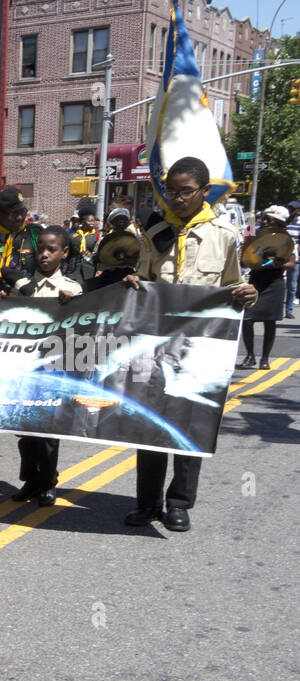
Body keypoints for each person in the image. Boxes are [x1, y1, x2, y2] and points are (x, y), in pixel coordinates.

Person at [122, 155, 257, 533]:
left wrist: (247, 294)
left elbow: (233, 286)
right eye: (171, 191)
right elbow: (143, 279)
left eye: (186, 191)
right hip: (156, 345)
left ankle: (179, 503)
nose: (178, 198)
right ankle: (146, 504)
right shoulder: (155, 233)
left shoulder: (223, 236)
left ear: (203, 192)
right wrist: (133, 281)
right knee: (148, 427)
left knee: (190, 426)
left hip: (201, 347)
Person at [6, 225, 81, 507]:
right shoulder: (24, 286)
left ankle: (48, 481)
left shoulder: (72, 288)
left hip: (54, 367)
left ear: (64, 252)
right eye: (40, 250)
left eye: (52, 250)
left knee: (48, 430)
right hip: (24, 366)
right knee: (25, 430)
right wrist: (0, 300)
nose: (45, 255)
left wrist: (73, 303)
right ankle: (30, 480)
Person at [240, 205, 294, 372]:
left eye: (268, 219)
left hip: (275, 282)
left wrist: (273, 262)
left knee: (270, 322)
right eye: (264, 218)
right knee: (247, 319)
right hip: (256, 280)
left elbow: (291, 263)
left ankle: (264, 359)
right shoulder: (253, 233)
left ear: (278, 222)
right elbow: (244, 261)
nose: (264, 221)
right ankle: (250, 356)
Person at [66, 199, 99, 286]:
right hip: (74, 270)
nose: (92, 223)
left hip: (90, 270)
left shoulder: (96, 236)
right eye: (90, 221)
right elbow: (68, 255)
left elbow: (97, 255)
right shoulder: (74, 237)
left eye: (93, 221)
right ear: (82, 222)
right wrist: (64, 270)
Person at [285, 201, 300, 319]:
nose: (291, 211)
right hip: (279, 256)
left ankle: (288, 310)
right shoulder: (283, 221)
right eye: (290, 208)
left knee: (292, 285)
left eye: (294, 209)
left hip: (294, 258)